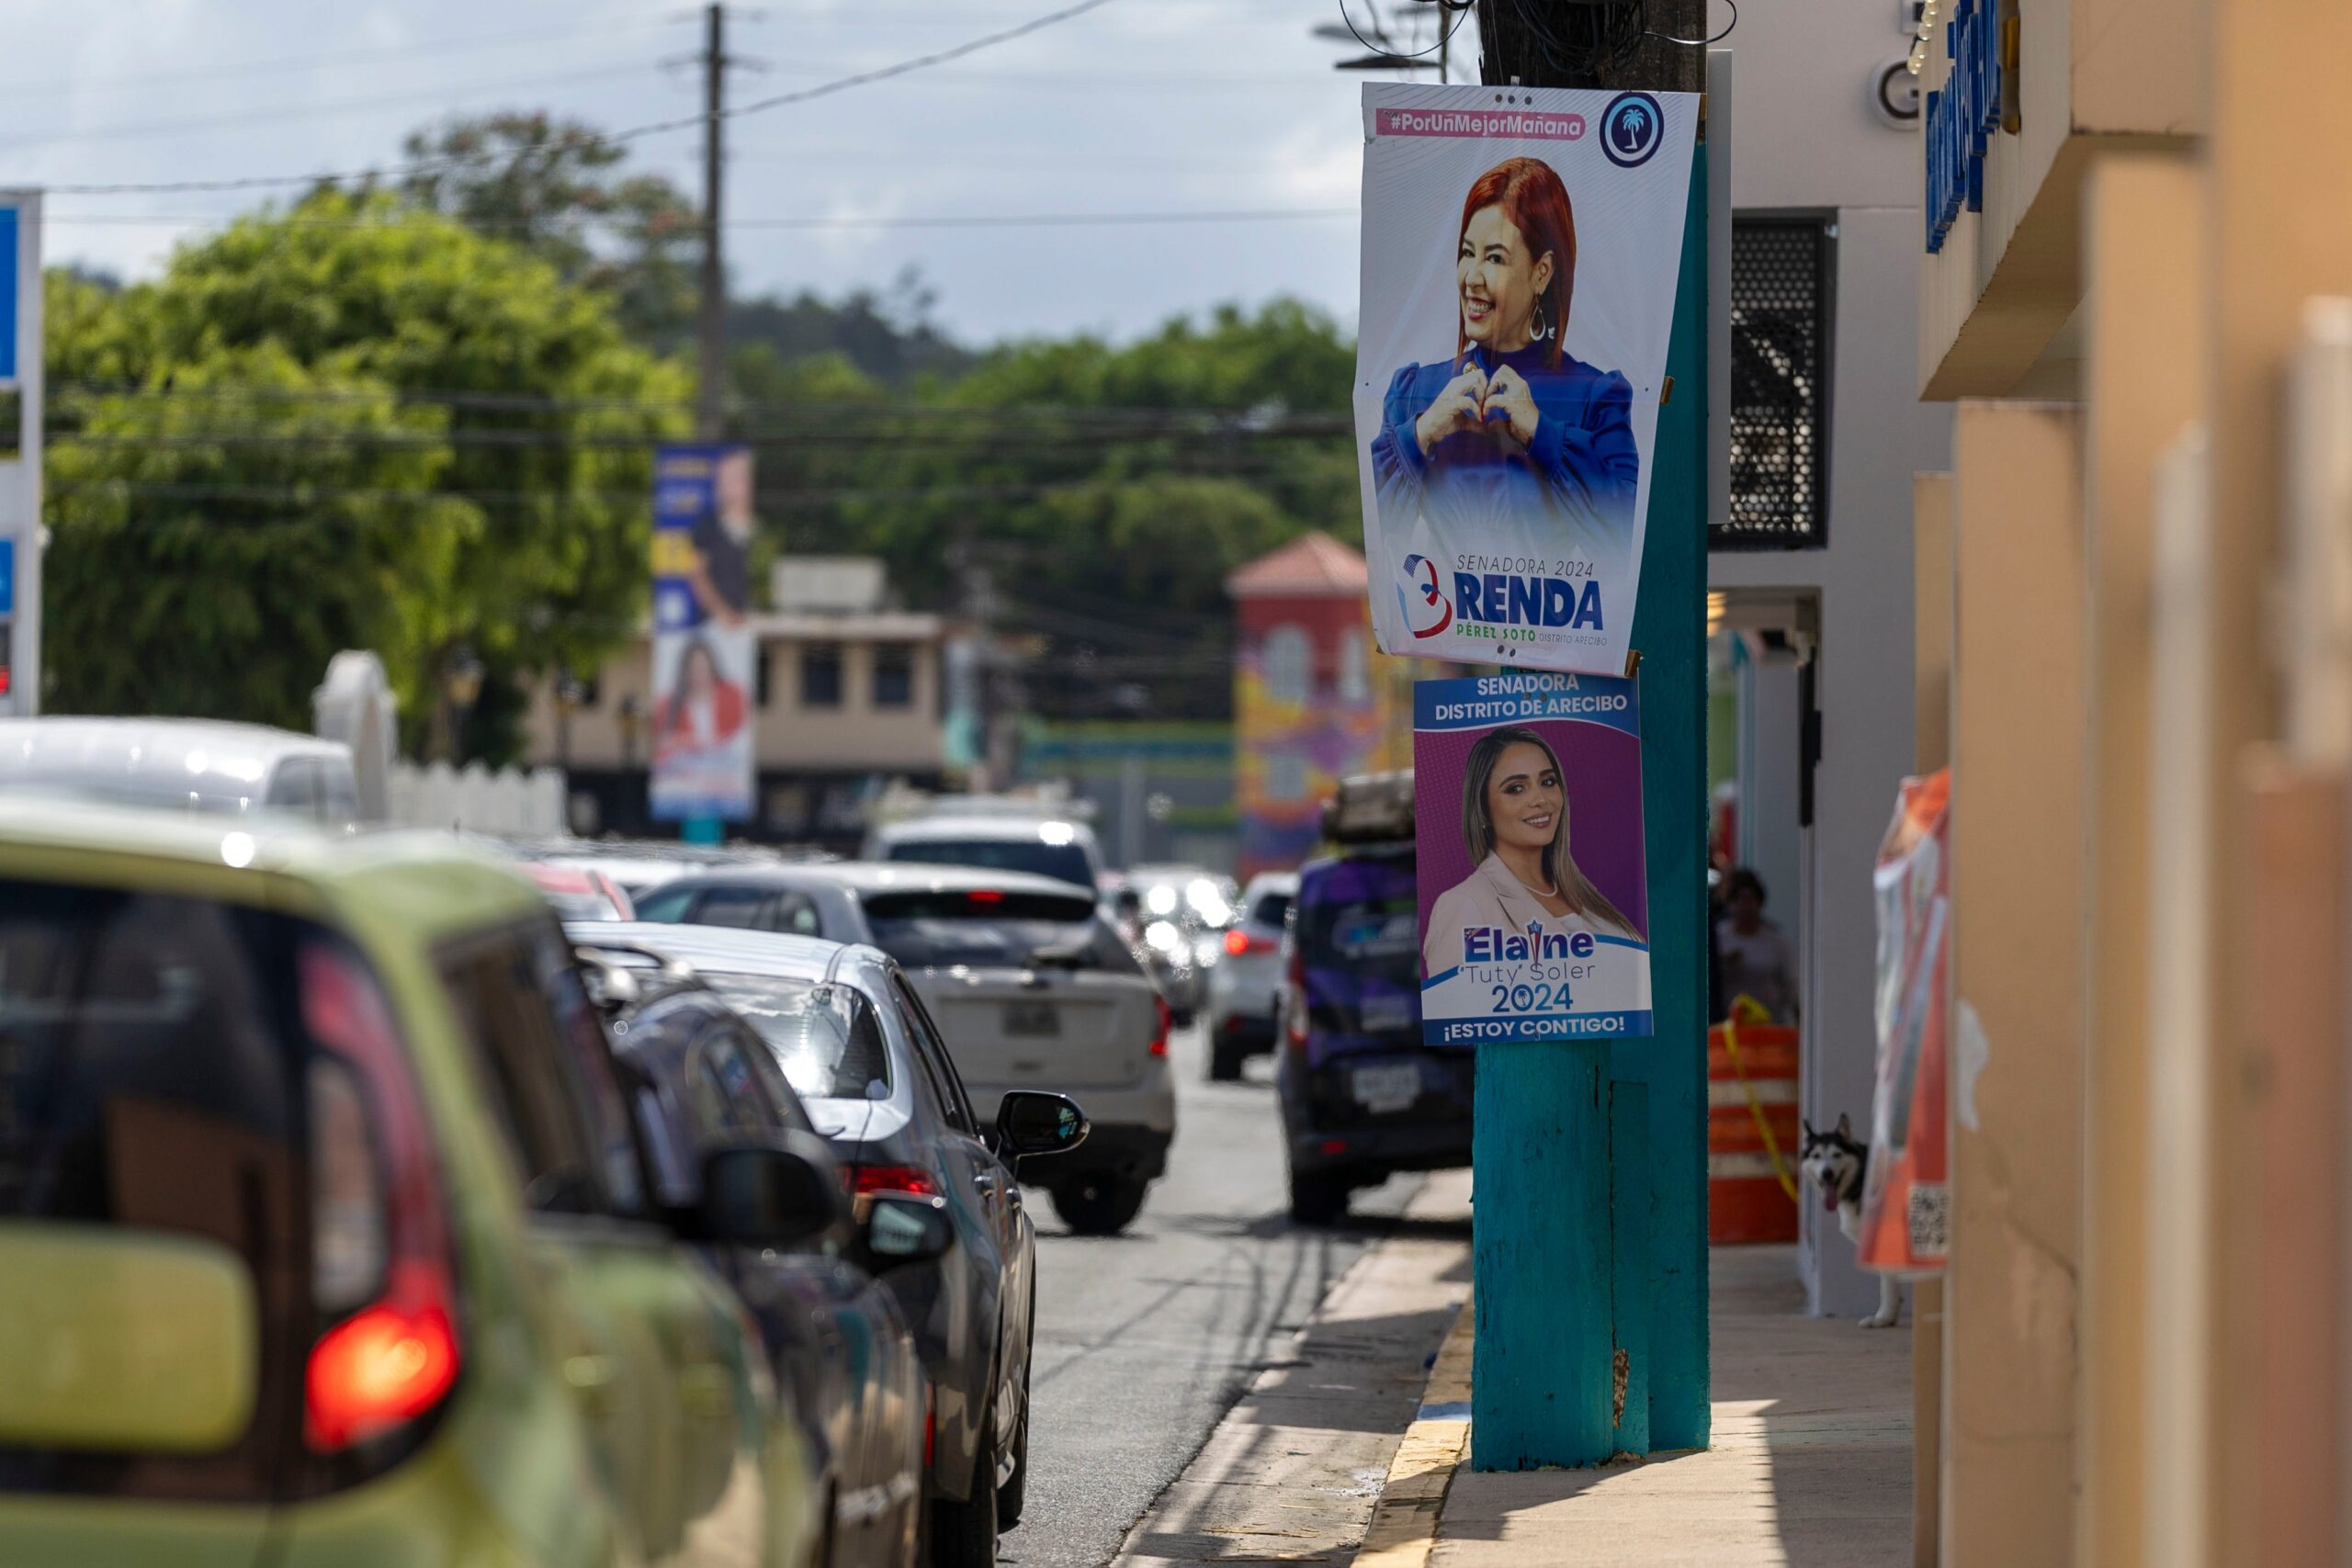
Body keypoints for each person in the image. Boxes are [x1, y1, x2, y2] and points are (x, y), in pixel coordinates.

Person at [1369, 156, 1640, 560]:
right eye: (1467, 253)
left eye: (1495, 258)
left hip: (1557, 621)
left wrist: (1541, 432)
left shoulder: (1595, 397)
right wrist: (1421, 432)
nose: (1471, 278)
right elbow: (1374, 531)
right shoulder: (1415, 393)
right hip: (1443, 622)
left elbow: (1627, 537)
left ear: (1542, 272)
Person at [1422, 726, 1639, 978]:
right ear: (1482, 809)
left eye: (1548, 782)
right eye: (1516, 788)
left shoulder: (1586, 896)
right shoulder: (1464, 906)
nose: (1540, 799)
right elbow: (1459, 1016)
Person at [1714, 866, 1799, 1022]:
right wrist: (1721, 961)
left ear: (1759, 903)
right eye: (1738, 900)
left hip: (1769, 1025)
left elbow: (1792, 985)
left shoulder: (1776, 940)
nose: (1744, 907)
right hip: (1727, 1027)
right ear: (1730, 904)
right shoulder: (1718, 937)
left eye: (1750, 900)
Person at [684, 448, 754, 627]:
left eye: (732, 480)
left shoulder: (761, 529)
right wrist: (723, 614)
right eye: (722, 480)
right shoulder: (706, 528)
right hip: (716, 628)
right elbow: (697, 575)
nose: (726, 487)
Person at [652, 637, 748, 765]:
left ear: (712, 667)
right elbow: (663, 749)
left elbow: (738, 737)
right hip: (685, 775)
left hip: (726, 772)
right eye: (693, 668)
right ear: (684, 671)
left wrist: (694, 742)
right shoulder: (668, 704)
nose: (698, 674)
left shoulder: (732, 695)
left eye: (702, 667)